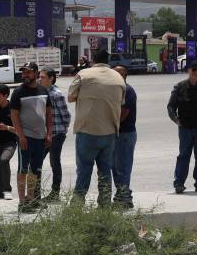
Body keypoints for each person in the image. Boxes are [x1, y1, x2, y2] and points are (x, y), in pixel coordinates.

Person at [67, 51, 124, 205]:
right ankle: (105, 205)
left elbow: (70, 97)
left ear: (93, 60)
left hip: (87, 131)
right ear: (108, 60)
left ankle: (77, 205)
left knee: (84, 170)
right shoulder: (118, 77)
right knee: (105, 170)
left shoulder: (84, 74)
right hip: (110, 132)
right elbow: (121, 102)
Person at [10, 62, 53, 211]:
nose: (25, 75)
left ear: (35, 73)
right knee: (23, 169)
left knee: (35, 170)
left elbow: (49, 114)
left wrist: (49, 134)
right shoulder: (18, 92)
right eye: (23, 72)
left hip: (40, 138)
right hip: (25, 137)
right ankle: (22, 202)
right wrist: (21, 136)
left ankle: (31, 199)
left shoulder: (43, 90)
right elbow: (14, 116)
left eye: (28, 72)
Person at [168, 63, 197, 194]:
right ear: (189, 71)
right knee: (183, 156)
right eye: (194, 70)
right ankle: (179, 183)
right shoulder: (180, 87)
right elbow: (171, 106)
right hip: (185, 129)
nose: (196, 72)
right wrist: (176, 120)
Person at [39, 69, 71, 202]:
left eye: (43, 77)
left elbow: (66, 115)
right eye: (39, 77)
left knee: (54, 162)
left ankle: (55, 194)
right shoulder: (41, 92)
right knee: (36, 162)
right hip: (44, 134)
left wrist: (64, 128)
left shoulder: (56, 94)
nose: (40, 79)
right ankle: (35, 193)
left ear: (51, 78)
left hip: (56, 134)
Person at [112, 65, 137, 207]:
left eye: (118, 74)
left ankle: (125, 198)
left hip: (125, 134)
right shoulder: (116, 90)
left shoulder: (127, 90)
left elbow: (123, 113)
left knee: (123, 168)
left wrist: (111, 126)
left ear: (124, 76)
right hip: (116, 133)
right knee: (115, 167)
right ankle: (122, 194)